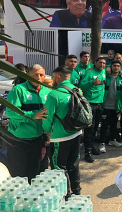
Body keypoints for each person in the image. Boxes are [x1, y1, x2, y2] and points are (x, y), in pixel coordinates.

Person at [6, 64, 49, 182]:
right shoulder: (19, 90)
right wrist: (32, 115)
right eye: (35, 74)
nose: (39, 77)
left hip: (37, 138)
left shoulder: (46, 91)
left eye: (41, 75)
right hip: (19, 139)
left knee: (33, 171)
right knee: (17, 172)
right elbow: (10, 112)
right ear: (28, 75)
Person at [42, 66, 82, 196]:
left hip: (60, 136)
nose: (52, 79)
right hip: (76, 133)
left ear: (58, 77)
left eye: (53, 77)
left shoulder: (54, 95)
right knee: (74, 163)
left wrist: (47, 133)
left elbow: (47, 118)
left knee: (58, 167)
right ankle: (76, 191)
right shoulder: (77, 90)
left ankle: (65, 194)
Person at [79, 57, 106, 163]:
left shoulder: (104, 71)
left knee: (95, 128)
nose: (102, 65)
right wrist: (92, 82)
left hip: (100, 104)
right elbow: (82, 86)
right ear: (95, 63)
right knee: (89, 129)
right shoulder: (89, 73)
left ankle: (91, 147)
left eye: (104, 63)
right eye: (100, 62)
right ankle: (87, 152)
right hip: (90, 104)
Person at [99, 60, 122, 153]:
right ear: (111, 67)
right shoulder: (106, 76)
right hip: (106, 105)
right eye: (114, 65)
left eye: (118, 66)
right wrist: (107, 67)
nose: (116, 67)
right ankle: (102, 143)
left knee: (114, 124)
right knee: (104, 125)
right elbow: (100, 67)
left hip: (116, 106)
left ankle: (112, 140)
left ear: (120, 67)